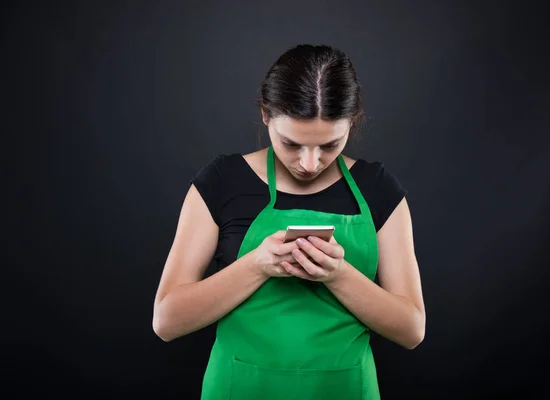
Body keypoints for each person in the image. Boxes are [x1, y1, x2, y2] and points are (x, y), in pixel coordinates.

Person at [152, 44, 426, 400]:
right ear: (266, 115)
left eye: (330, 145)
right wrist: (258, 265)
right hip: (240, 388)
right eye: (291, 144)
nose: (310, 163)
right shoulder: (222, 182)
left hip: (343, 389)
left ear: (352, 123)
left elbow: (411, 329)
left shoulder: (378, 189)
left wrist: (337, 274)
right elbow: (167, 321)